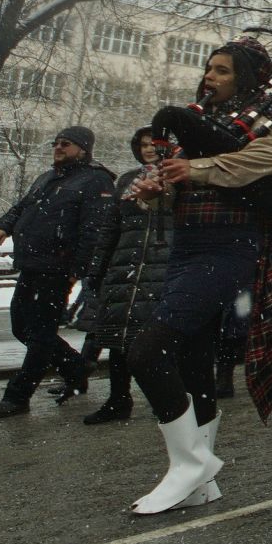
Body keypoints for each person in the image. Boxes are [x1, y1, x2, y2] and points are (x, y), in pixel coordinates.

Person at [124, 37, 272, 513]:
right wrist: (156, 191)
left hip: (228, 249)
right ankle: (201, 475)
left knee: (146, 350)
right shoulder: (203, 125)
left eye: (223, 70)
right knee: (193, 361)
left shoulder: (260, 124)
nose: (211, 76)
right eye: (209, 68)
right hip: (187, 246)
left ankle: (188, 464)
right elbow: (182, 186)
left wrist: (198, 168)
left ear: (245, 79)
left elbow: (270, 161)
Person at [0, 125, 116, 418]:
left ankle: (18, 396)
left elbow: (93, 230)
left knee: (40, 334)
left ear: (82, 148)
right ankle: (76, 368)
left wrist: (76, 270)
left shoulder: (96, 180)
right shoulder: (49, 178)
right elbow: (22, 207)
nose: (58, 148)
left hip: (57, 268)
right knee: (22, 327)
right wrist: (2, 226)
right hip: (32, 265)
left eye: (65, 144)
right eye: (56, 143)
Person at [76, 129, 174, 424]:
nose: (147, 150)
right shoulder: (127, 180)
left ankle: (166, 401)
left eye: (153, 145)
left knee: (153, 341)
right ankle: (118, 398)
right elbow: (111, 227)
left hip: (160, 267)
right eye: (142, 145)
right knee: (118, 337)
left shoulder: (179, 178)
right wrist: (98, 269)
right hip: (125, 265)